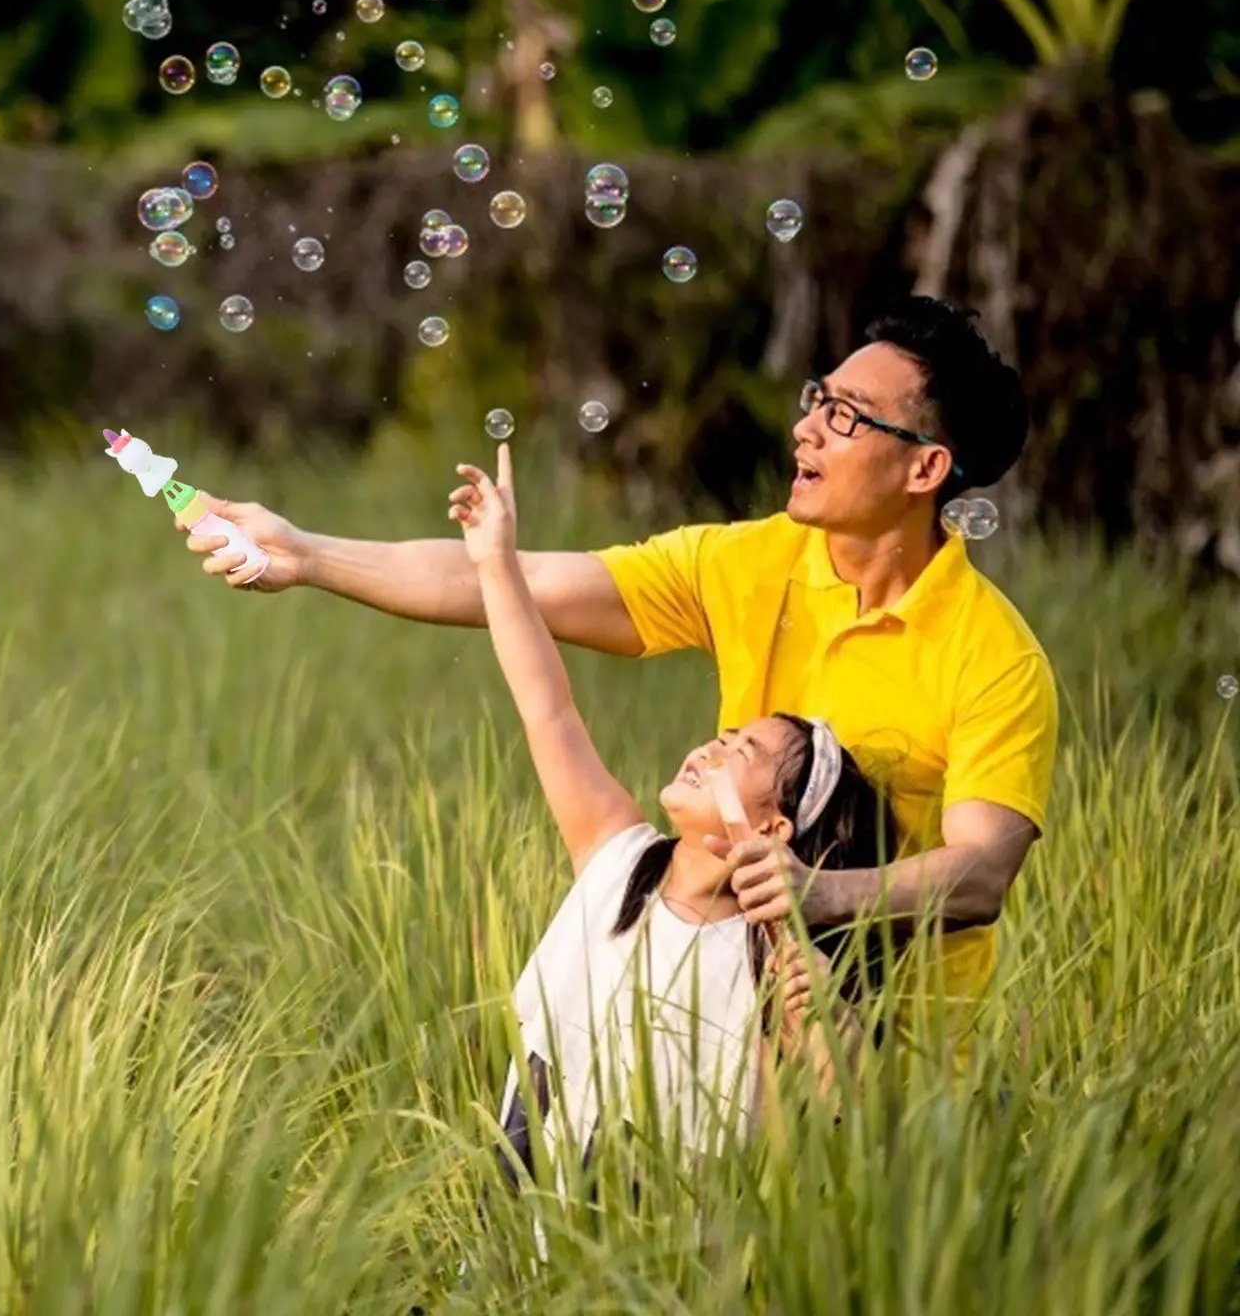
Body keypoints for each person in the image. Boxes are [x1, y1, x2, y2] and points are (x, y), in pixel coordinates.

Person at [185, 297, 1059, 1035]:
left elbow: (982, 874)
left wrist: (818, 894)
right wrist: (307, 553)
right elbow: (515, 583)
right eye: (815, 400)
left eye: (845, 416)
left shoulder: (995, 658)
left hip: (897, 1067)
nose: (805, 429)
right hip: (730, 1031)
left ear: (926, 468)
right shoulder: (750, 562)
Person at [447, 441, 892, 1184]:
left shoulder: (774, 962)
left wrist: (827, 1013)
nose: (710, 748)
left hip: (663, 1254)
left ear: (777, 829)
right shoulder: (617, 857)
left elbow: (849, 1109)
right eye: (722, 735)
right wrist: (497, 560)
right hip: (523, 1212)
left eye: (742, 750)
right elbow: (547, 707)